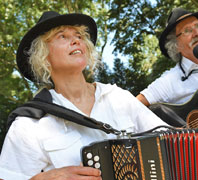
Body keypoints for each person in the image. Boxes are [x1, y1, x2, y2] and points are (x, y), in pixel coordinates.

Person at [0, 11, 168, 179]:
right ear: (43, 56)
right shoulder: (29, 124)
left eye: (79, 35)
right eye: (62, 36)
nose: (76, 40)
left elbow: (169, 140)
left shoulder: (118, 97)